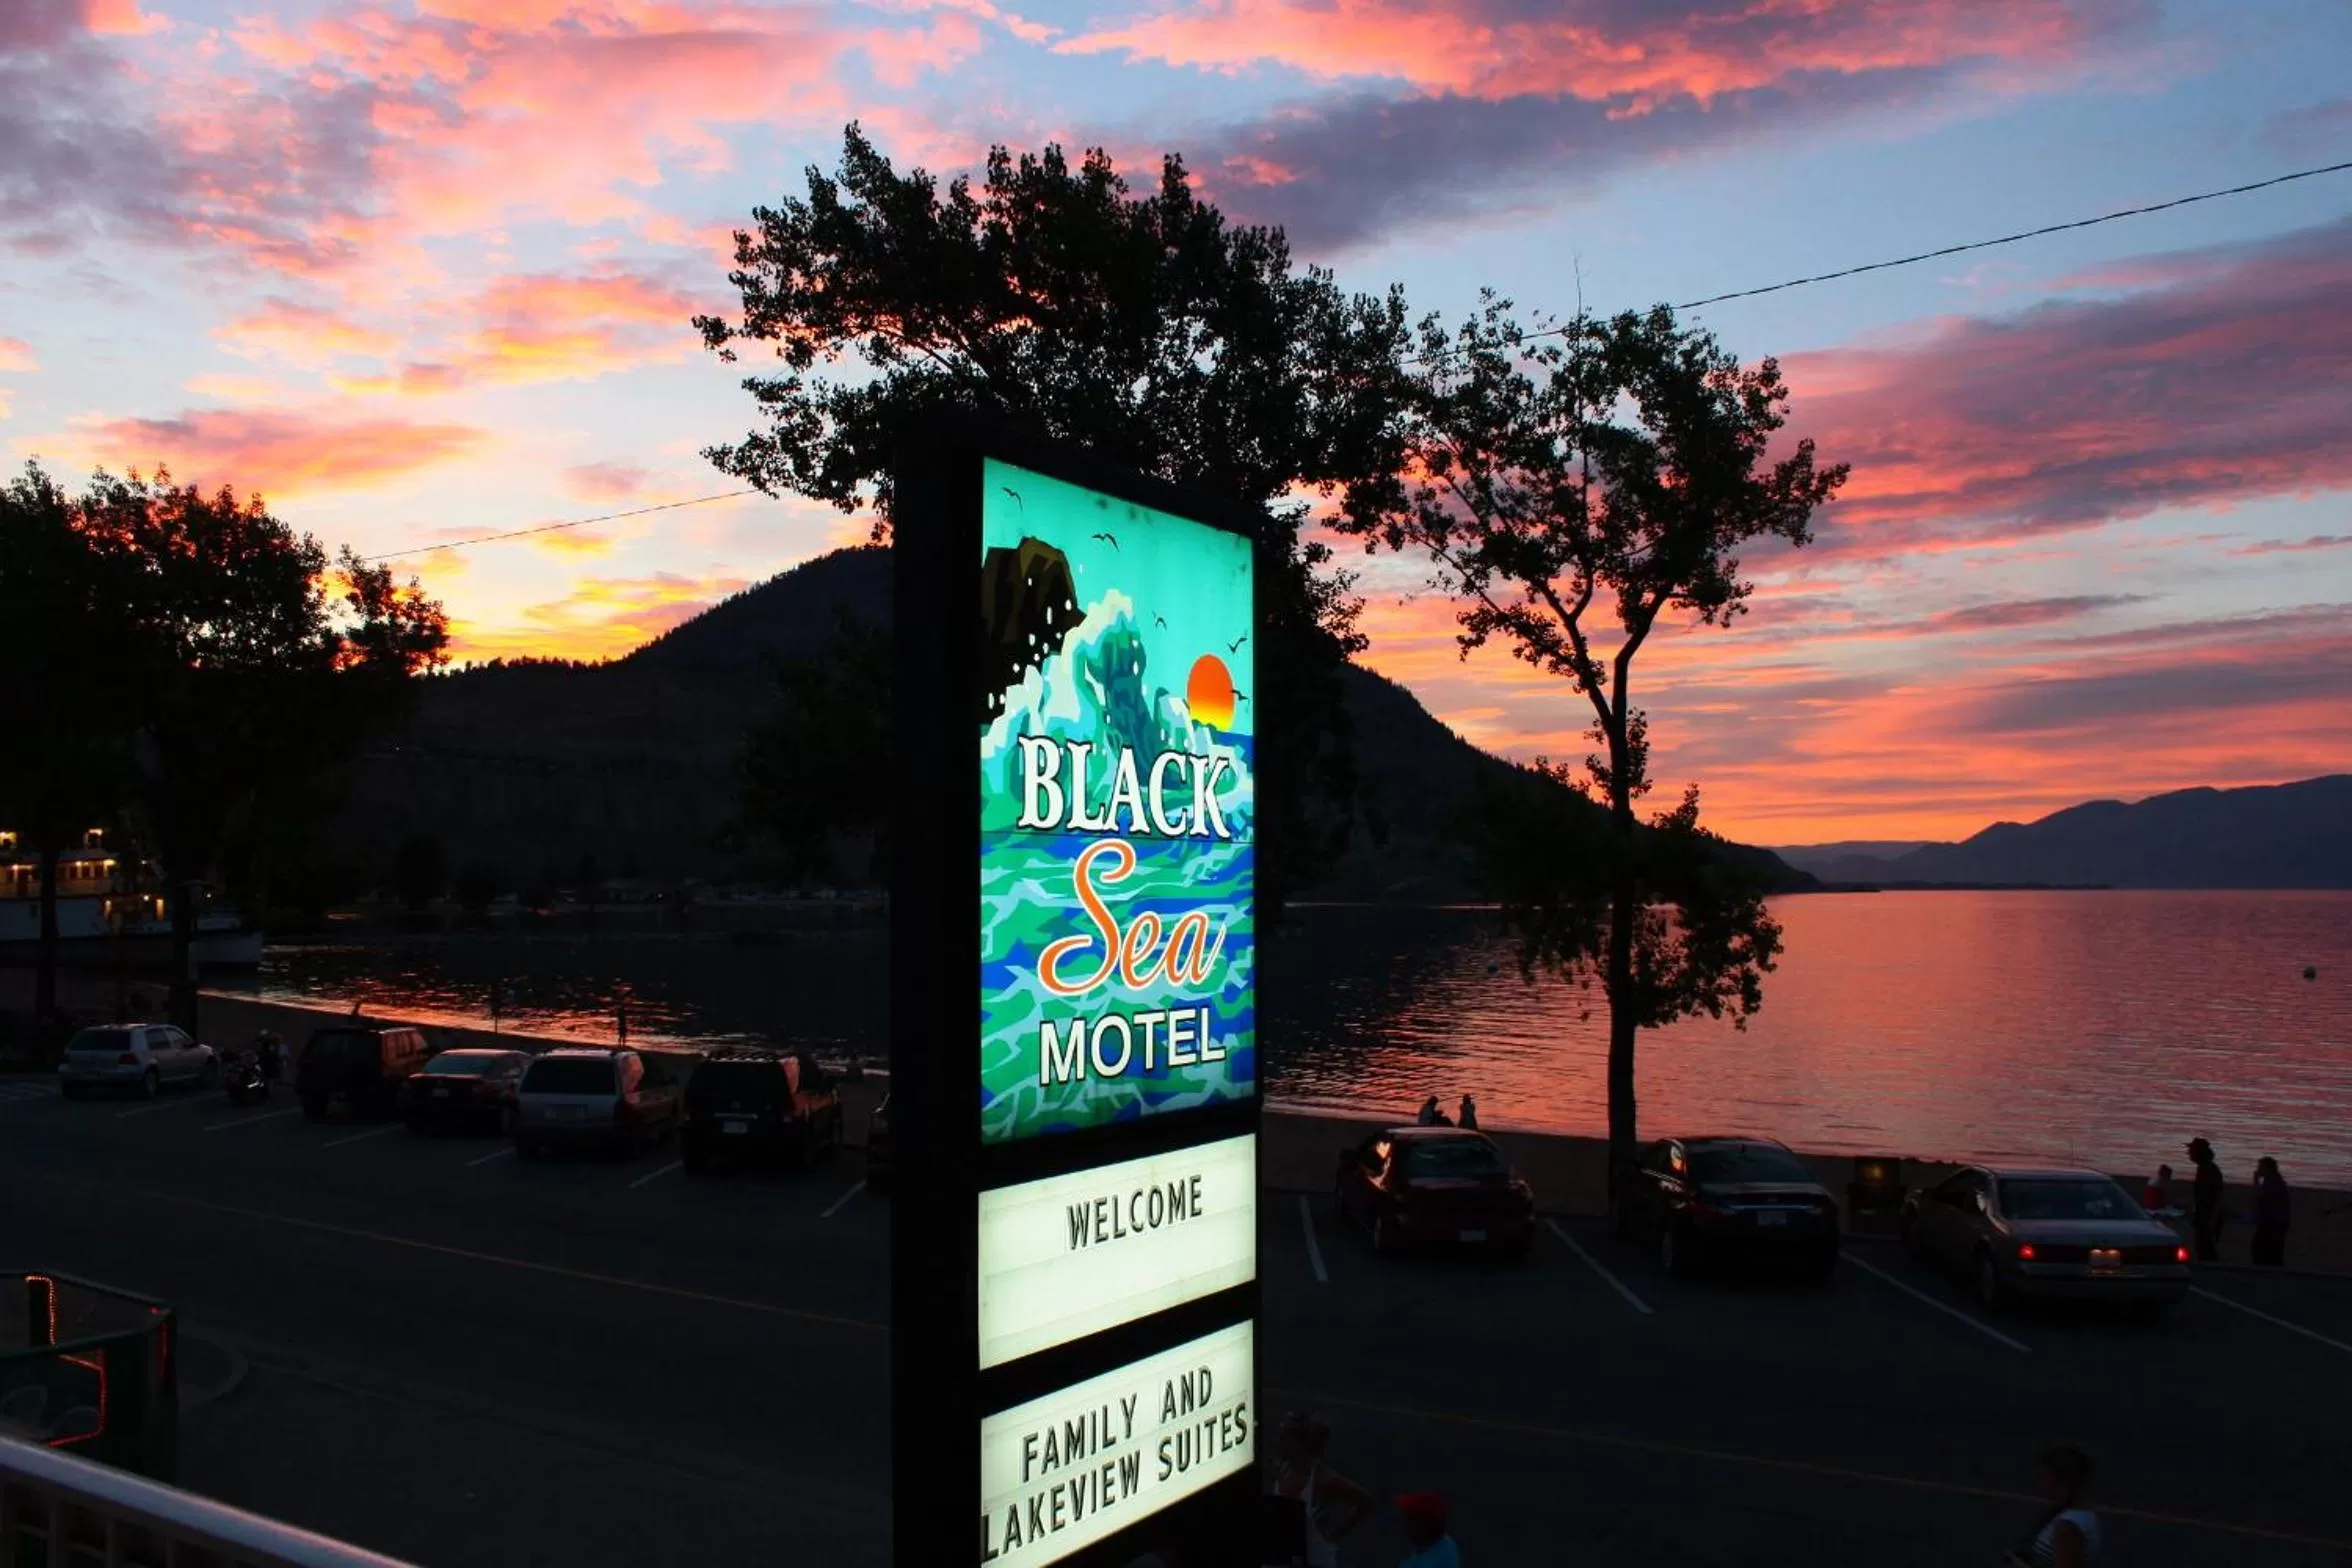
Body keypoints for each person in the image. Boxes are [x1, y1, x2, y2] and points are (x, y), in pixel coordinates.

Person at [1272, 1412, 1371, 1567]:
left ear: (1300, 1444)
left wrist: (1335, 1533)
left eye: (1284, 1439)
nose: (1278, 1443)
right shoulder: (1283, 1468)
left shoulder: (1324, 1479)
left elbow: (1365, 1501)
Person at [2005, 1447, 2099, 1566]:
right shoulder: (2082, 1515)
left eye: (2045, 1478)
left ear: (2064, 1482)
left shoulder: (2068, 1528)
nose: (2042, 1486)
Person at [1395, 1492, 1460, 1568]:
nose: (1404, 1525)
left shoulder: (1427, 1564)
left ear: (1421, 1527)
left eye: (1409, 1520)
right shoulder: (1445, 1544)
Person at [2186, 1138, 2225, 1262]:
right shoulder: (2204, 1169)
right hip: (2204, 1215)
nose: (2189, 1153)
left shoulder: (2208, 1170)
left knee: (2206, 1249)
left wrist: (2213, 1219)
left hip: (2207, 1216)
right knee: (2203, 1248)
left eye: (2191, 1150)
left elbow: (2216, 1196)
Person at [2252, 1156, 2290, 1267]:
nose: (2258, 1169)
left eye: (2260, 1167)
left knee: (2265, 1251)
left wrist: (2255, 1180)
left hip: (2273, 1223)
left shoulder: (2272, 1182)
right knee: (2273, 1252)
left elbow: (2261, 1199)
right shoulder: (2273, 1181)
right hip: (2275, 1222)